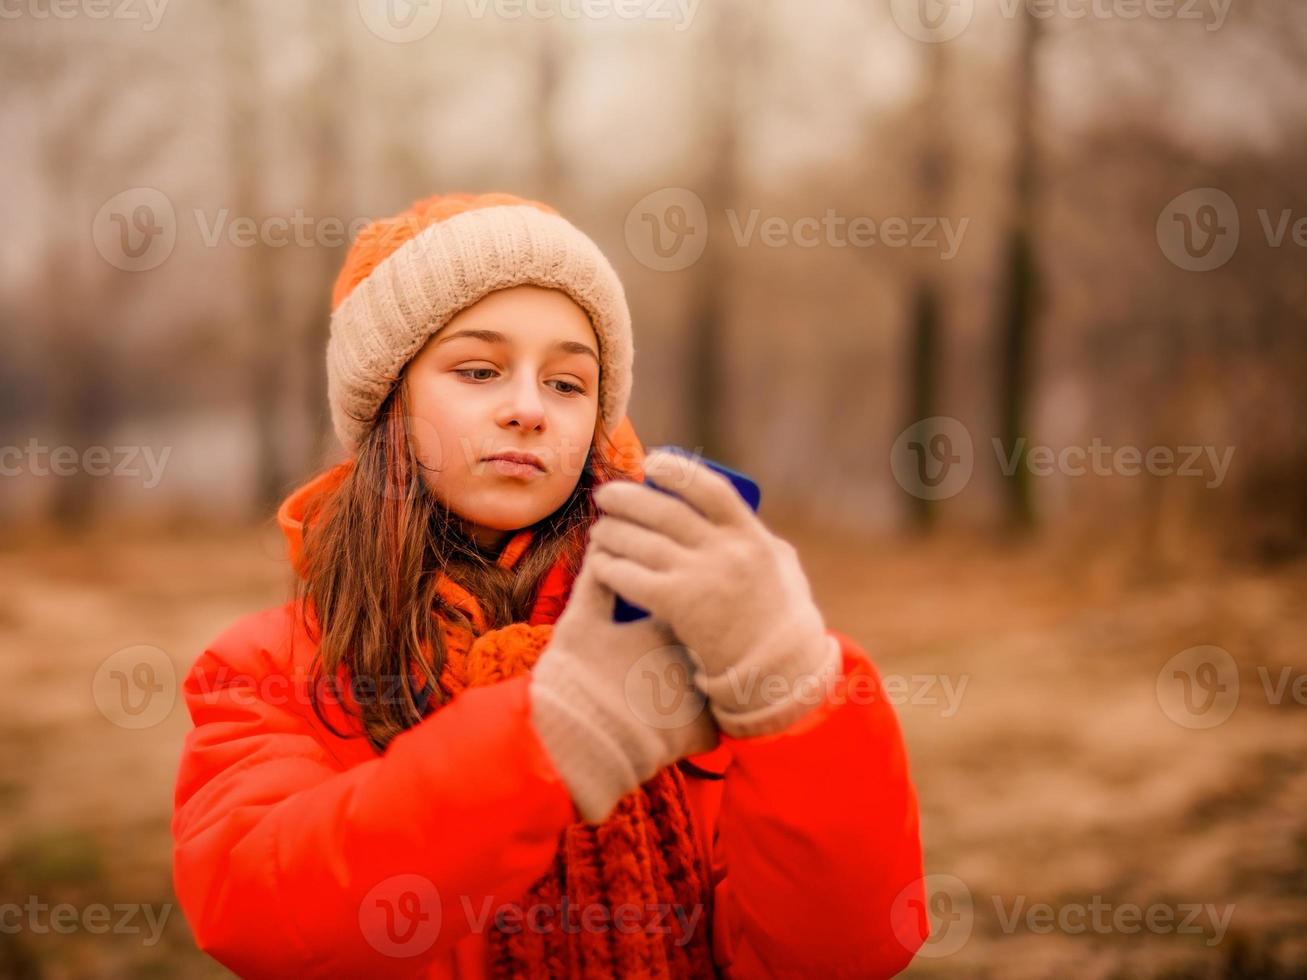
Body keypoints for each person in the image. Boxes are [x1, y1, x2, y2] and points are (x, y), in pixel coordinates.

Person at [170, 191, 927, 979]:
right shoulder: (266, 669)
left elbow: (845, 955)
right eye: (478, 369)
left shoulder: (685, 633)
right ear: (387, 400)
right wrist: (553, 736)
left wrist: (795, 695)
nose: (529, 409)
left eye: (569, 384)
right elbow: (256, 908)